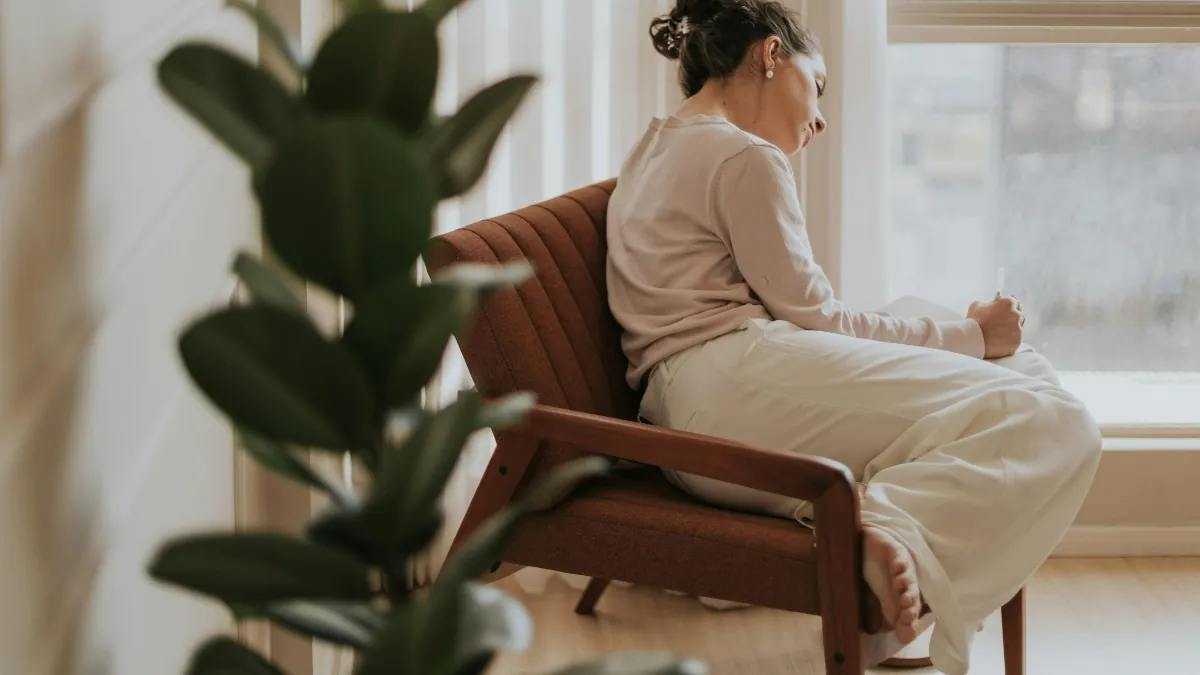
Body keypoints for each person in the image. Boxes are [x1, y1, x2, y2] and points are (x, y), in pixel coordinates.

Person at [604, 1, 1103, 673]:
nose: (820, 117)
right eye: (817, 86)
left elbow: (805, 314)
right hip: (729, 389)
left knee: (1001, 369)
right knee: (1058, 420)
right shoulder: (741, 155)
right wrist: (973, 336)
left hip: (692, 410)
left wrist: (971, 338)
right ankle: (887, 529)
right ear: (770, 55)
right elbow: (821, 318)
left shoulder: (654, 145)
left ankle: (887, 531)